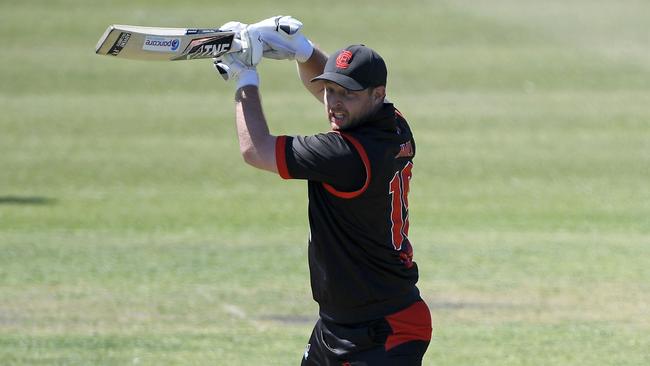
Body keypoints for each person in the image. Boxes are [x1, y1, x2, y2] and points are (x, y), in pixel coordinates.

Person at [214, 16, 432, 365]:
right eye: (330, 89)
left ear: (378, 95)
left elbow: (256, 150)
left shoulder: (344, 156)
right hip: (340, 325)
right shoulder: (394, 123)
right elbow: (334, 94)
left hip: (384, 330)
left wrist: (245, 77)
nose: (333, 102)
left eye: (347, 93)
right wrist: (301, 49)